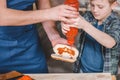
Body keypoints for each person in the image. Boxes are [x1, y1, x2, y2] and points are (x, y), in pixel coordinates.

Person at [0, 0, 78, 74]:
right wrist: (49, 13)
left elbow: (43, 6)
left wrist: (54, 37)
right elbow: (2, 16)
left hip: (29, 45)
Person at [62, 0, 120, 75]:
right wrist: (66, 25)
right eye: (92, 5)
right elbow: (73, 28)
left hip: (104, 74)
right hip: (81, 70)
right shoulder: (88, 16)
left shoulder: (116, 22)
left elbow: (110, 43)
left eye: (100, 7)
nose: (95, 10)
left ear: (113, 5)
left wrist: (85, 25)